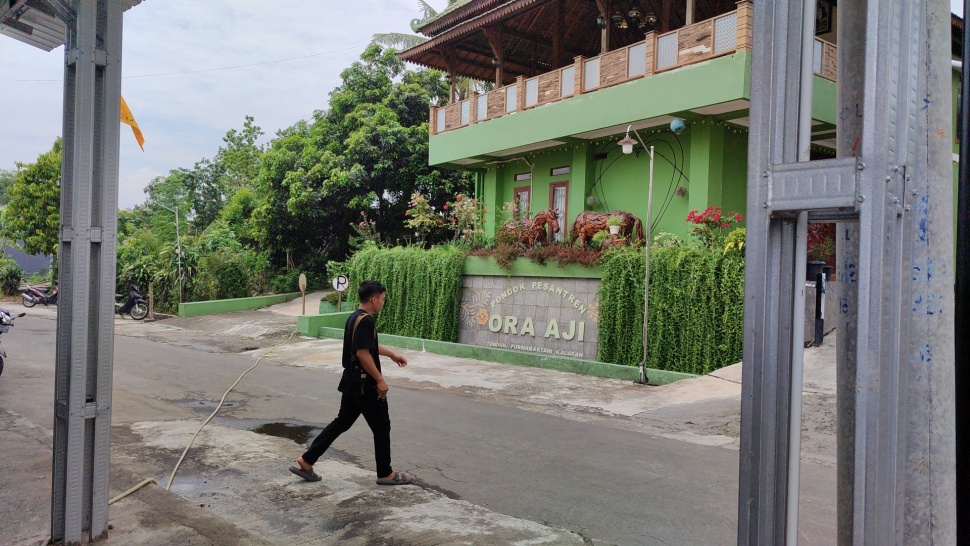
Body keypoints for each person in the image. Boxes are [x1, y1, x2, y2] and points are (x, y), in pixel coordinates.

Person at [289, 280, 413, 485]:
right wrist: (380, 380)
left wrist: (392, 354)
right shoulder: (367, 321)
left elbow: (368, 345)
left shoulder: (354, 318)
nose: (383, 302)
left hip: (352, 382)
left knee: (341, 423)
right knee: (382, 426)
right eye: (382, 299)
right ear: (373, 299)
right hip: (365, 385)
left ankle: (307, 460)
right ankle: (385, 473)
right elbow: (363, 354)